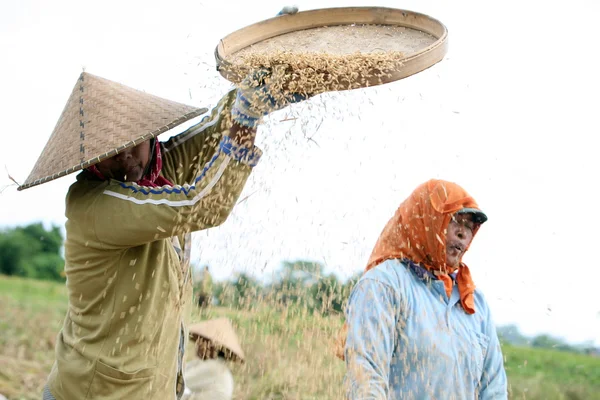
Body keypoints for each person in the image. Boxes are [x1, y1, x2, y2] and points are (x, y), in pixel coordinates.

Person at [24, 10, 309, 400]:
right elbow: (201, 206)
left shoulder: (159, 167)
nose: (125, 159)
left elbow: (214, 128)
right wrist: (246, 119)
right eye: (110, 153)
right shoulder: (95, 204)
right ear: (90, 161)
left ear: (152, 135)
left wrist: (261, 73)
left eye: (133, 143)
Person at [338, 179, 508, 399]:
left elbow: (494, 390)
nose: (463, 233)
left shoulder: (474, 304)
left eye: (469, 226)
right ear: (426, 220)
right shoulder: (385, 285)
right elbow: (366, 377)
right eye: (455, 220)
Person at [182, 318, 244, 400]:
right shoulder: (210, 365)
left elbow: (177, 381)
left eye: (202, 341)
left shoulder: (214, 368)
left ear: (213, 347)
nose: (198, 344)